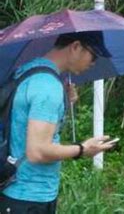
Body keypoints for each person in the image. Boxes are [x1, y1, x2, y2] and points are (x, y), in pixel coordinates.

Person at [0, 31, 117, 213]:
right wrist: (83, 149)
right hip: (29, 196)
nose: (93, 63)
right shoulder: (48, 86)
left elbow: (25, 124)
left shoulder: (28, 72)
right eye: (93, 55)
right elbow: (37, 151)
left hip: (15, 191)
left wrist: (65, 101)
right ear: (76, 47)